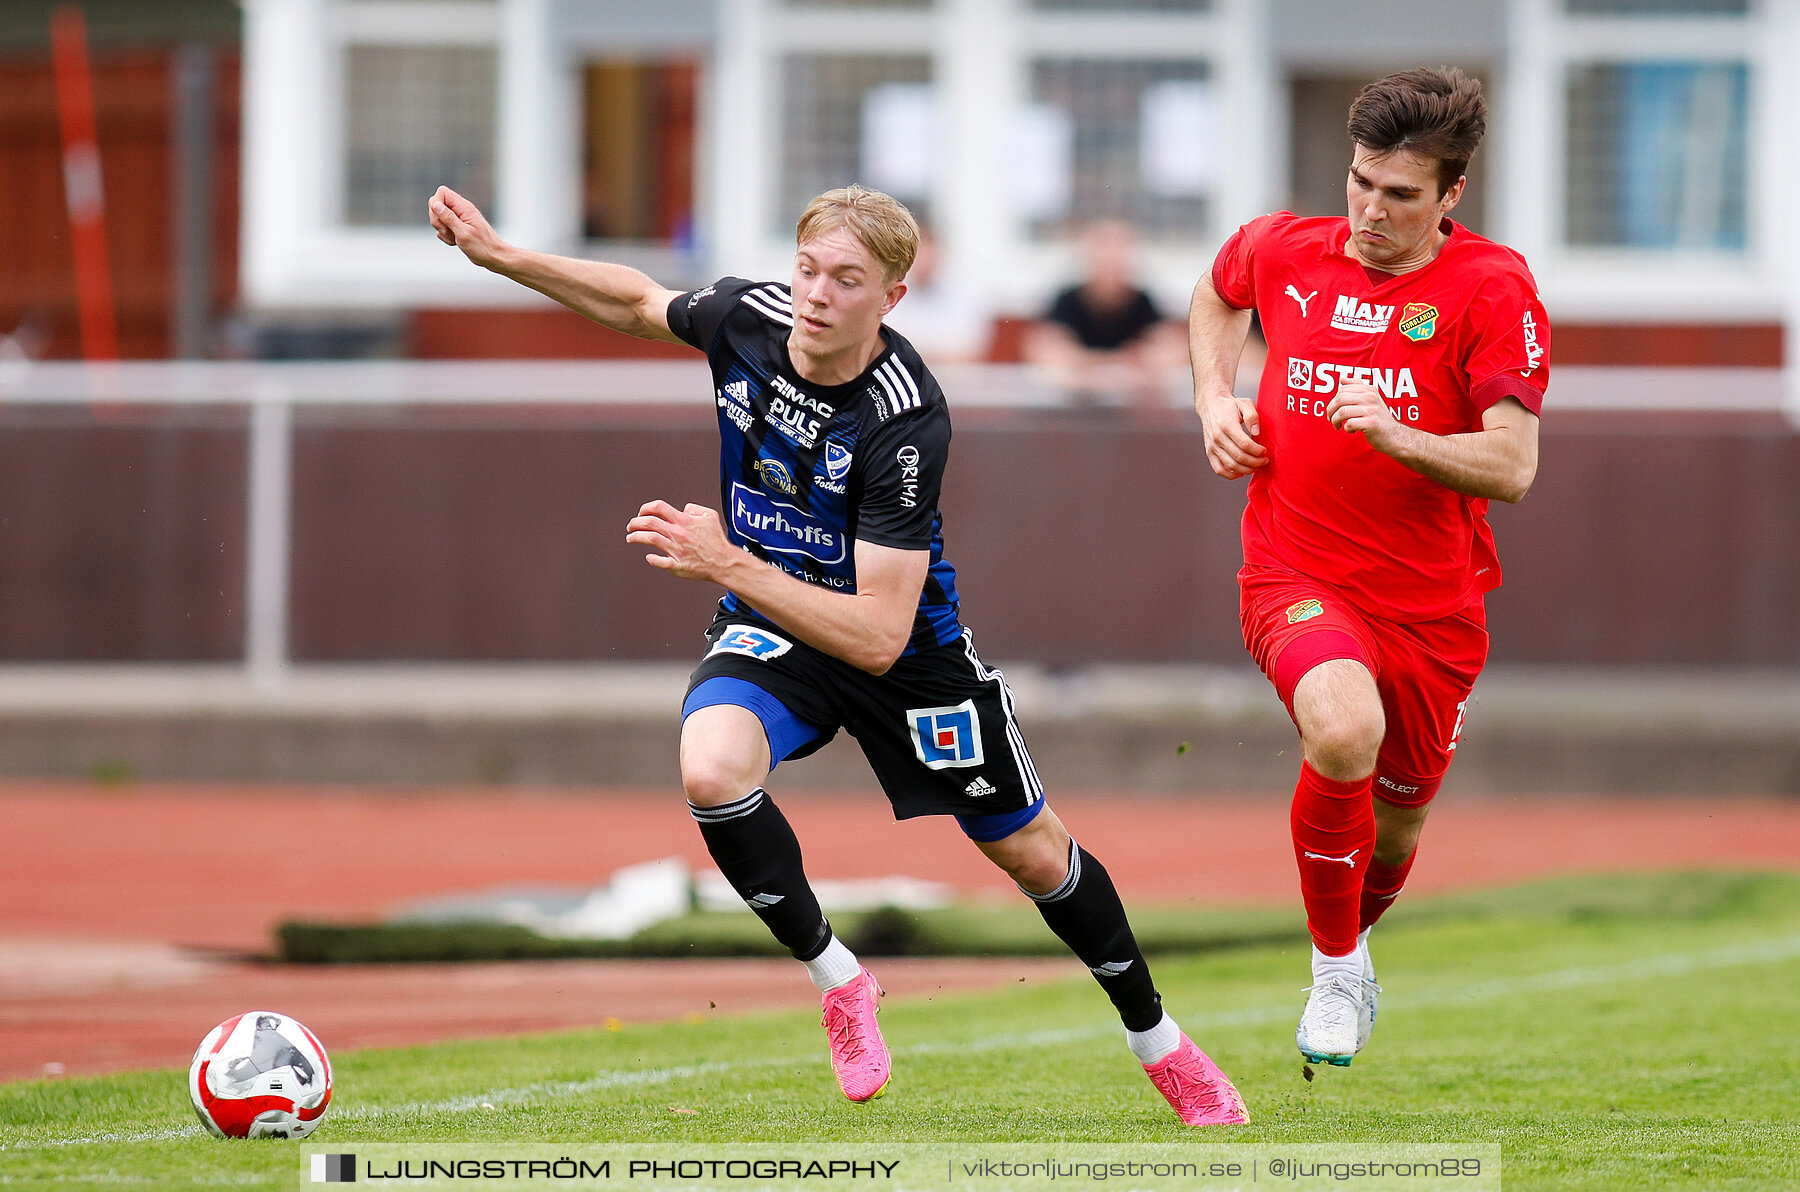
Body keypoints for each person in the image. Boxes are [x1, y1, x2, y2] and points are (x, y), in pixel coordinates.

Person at [428, 182, 1247, 1125]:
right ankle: (840, 981)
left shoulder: (904, 417)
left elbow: (877, 632)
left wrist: (729, 558)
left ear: (892, 297)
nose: (816, 294)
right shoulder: (749, 319)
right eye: (808, 269)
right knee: (710, 769)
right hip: (777, 625)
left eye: (846, 280)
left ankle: (1159, 1041)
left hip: (906, 658)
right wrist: (504, 259)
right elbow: (637, 300)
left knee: (1032, 854)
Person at [1187, 67, 1548, 1067]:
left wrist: (1399, 434)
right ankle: (1335, 975)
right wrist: (1216, 400)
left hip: (1433, 605)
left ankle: (1354, 942)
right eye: (1359, 183)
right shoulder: (1286, 248)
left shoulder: (1491, 287)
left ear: (1450, 196)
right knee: (1343, 727)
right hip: (1295, 573)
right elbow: (1216, 293)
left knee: (1392, 835)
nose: (1370, 211)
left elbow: (1513, 466)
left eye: (1399, 195)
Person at [1027, 220, 1184, 405]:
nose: (1111, 262)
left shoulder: (1141, 300)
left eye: (1118, 255)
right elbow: (1043, 349)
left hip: (1131, 404)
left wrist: (1143, 361)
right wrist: (1100, 365)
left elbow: (1173, 349)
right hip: (1073, 403)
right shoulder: (1068, 300)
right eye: (1104, 254)